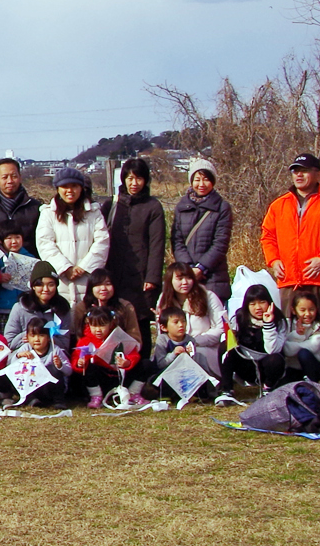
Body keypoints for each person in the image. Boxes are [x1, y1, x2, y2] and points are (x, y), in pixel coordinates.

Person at [260, 152, 320, 316]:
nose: (299, 175)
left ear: (318, 174)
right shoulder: (278, 205)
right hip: (289, 282)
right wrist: (274, 261)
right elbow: (268, 236)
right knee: (289, 333)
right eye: (295, 171)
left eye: (304, 170)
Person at [104, 157, 166, 325]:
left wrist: (152, 277)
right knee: (114, 320)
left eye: (139, 178)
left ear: (145, 180)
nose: (134, 183)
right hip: (114, 272)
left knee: (140, 321)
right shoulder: (112, 204)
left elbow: (157, 244)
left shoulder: (153, 207)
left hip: (140, 275)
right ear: (123, 179)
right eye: (130, 178)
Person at [36, 167, 109, 308]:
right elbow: (45, 243)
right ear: (57, 189)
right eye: (65, 187)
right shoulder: (48, 213)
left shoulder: (94, 213)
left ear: (81, 188)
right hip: (60, 280)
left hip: (88, 279)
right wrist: (65, 268)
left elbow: (102, 242)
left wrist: (83, 267)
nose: (70, 191)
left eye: (74, 186)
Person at [171, 158, 233, 303]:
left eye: (206, 179)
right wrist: (189, 269)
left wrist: (201, 268)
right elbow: (177, 240)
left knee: (216, 322)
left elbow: (221, 243)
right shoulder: (182, 206)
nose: (201, 184)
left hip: (214, 277)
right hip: (187, 278)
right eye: (197, 179)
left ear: (213, 181)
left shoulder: (222, 207)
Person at [72, 305, 141, 409]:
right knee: (90, 368)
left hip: (120, 376)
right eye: (94, 326)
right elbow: (77, 357)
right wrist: (79, 363)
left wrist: (127, 362)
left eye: (102, 325)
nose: (98, 330)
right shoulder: (85, 341)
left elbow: (133, 353)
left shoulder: (119, 337)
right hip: (101, 379)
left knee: (145, 364)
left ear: (111, 324)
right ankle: (96, 396)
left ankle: (133, 394)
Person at [223, 283, 286, 397]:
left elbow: (272, 350)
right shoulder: (240, 317)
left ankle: (268, 388)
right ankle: (227, 390)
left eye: (262, 302)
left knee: (275, 359)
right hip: (247, 365)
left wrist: (268, 324)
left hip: (267, 367)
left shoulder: (279, 320)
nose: (258, 307)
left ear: (269, 302)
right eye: (252, 304)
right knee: (224, 346)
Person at [0, 158, 43, 258]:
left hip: (29, 265)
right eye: (5, 177)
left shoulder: (36, 207)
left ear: (20, 177)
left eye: (14, 176)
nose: (10, 181)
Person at [3, 262, 73, 354]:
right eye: (40, 285)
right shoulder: (19, 308)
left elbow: (65, 345)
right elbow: (8, 342)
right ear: (33, 287)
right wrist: (29, 335)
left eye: (51, 285)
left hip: (52, 359)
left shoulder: (62, 308)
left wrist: (47, 338)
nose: (46, 289)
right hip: (24, 359)